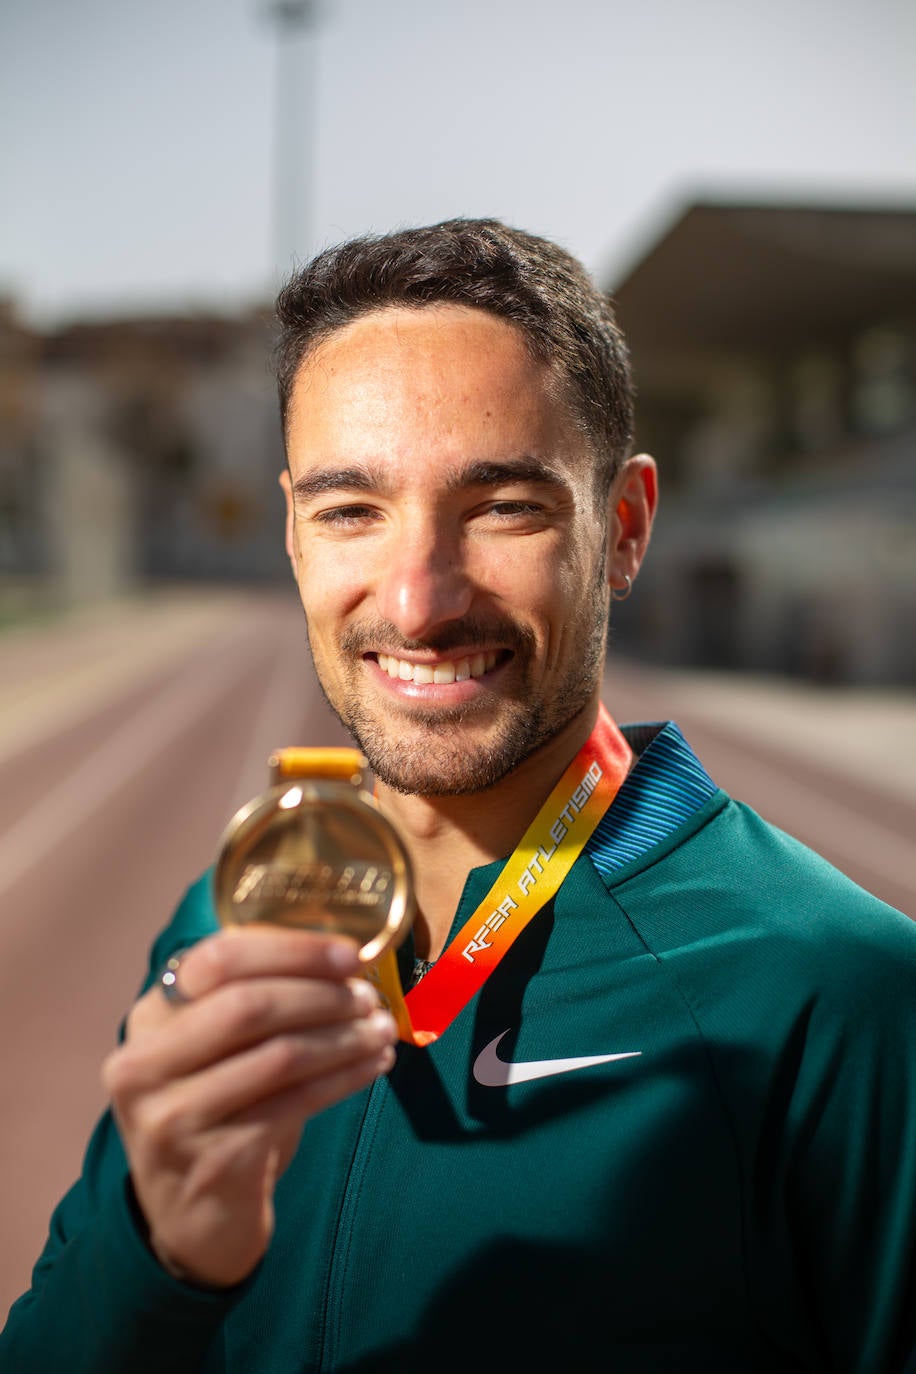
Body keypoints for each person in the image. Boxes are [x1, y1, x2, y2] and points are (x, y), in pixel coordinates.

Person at [2, 218, 916, 1374]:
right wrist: (160, 1263)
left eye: (502, 507)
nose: (421, 599)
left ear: (622, 528)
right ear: (291, 532)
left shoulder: (838, 997)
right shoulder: (230, 929)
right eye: (350, 510)